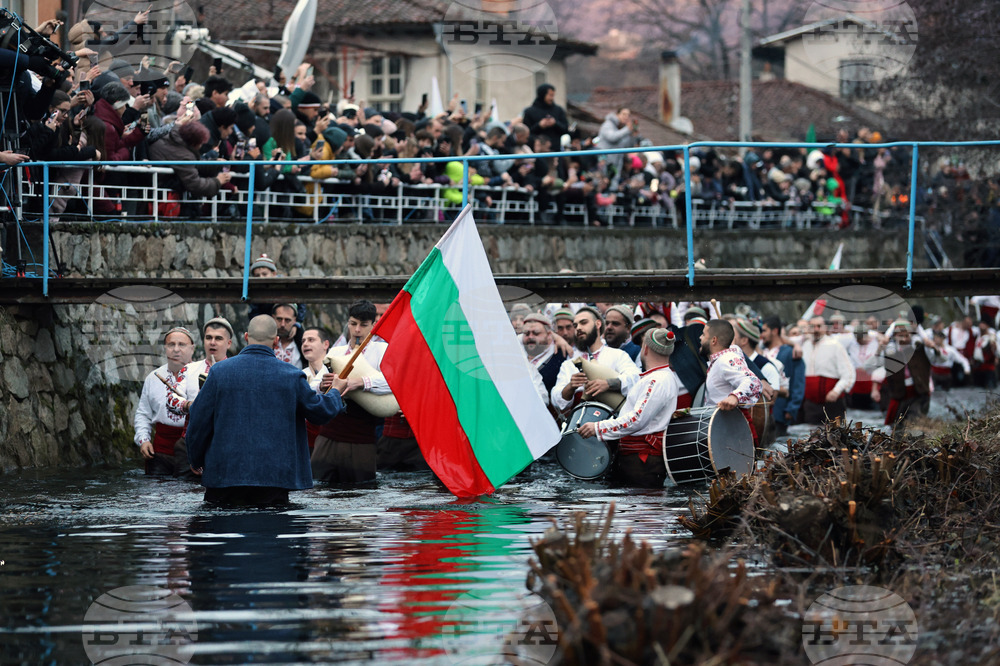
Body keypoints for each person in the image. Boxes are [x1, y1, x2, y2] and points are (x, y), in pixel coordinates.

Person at [186, 315, 348, 506]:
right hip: (274, 477)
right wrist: (336, 391)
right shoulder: (291, 375)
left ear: (246, 337)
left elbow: (198, 420)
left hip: (225, 474)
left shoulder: (219, 372)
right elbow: (319, 412)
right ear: (276, 340)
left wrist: (195, 459)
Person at [578, 328, 679, 488]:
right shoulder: (658, 376)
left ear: (645, 348)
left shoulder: (657, 380)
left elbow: (636, 419)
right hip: (638, 458)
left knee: (642, 510)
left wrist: (598, 427)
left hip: (642, 459)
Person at [313, 300, 393, 484]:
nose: (357, 330)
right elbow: (313, 386)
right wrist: (323, 385)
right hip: (329, 433)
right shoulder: (337, 352)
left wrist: (360, 382)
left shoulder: (382, 350)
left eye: (364, 325)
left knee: (361, 492)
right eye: (353, 324)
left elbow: (394, 382)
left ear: (373, 326)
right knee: (318, 488)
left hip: (361, 437)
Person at [551, 306, 640, 413]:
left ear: (598, 324)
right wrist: (570, 387)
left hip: (611, 421)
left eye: (583, 323)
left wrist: (608, 384)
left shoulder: (618, 355)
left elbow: (636, 379)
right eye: (575, 325)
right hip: (579, 422)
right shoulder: (568, 364)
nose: (578, 328)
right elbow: (556, 401)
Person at [133, 327, 196, 476]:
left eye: (182, 345)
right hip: (160, 452)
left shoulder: (202, 375)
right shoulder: (153, 377)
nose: (176, 349)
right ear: (165, 349)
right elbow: (143, 413)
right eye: (171, 345)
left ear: (192, 349)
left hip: (192, 451)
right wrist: (144, 440)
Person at [871, 321, 932, 426]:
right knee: (897, 424)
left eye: (906, 335)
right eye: (900, 336)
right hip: (899, 394)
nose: (904, 339)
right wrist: (874, 389)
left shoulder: (919, 347)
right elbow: (877, 366)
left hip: (918, 393)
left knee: (914, 421)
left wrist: (930, 343)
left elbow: (939, 359)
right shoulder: (890, 350)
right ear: (895, 336)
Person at [800, 316, 856, 424]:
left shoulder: (835, 346)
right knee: (810, 436)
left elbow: (849, 374)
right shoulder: (805, 346)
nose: (816, 329)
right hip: (811, 405)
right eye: (812, 326)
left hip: (833, 403)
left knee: (836, 436)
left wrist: (836, 391)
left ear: (825, 328)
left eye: (819, 326)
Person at [699, 319, 762, 414]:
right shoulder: (724, 358)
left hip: (731, 425)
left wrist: (735, 397)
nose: (700, 337)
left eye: (703, 334)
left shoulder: (726, 359)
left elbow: (753, 382)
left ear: (714, 340)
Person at [760, 316, 805, 437]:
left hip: (780, 411)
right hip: (761, 412)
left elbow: (798, 382)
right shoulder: (760, 351)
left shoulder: (791, 353)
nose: (761, 334)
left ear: (774, 331)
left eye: (764, 330)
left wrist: (792, 408)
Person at [180, 317, 234, 409]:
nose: (212, 343)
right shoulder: (188, 369)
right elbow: (171, 399)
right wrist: (188, 405)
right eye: (208, 338)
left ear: (229, 343)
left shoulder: (236, 372)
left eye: (218, 338)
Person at [522, 312, 569, 398]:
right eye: (526, 333)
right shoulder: (517, 350)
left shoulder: (562, 356)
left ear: (549, 335)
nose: (530, 337)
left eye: (536, 333)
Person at [521, 83, 568, 152]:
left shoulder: (558, 110)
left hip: (555, 150)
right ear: (542, 95)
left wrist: (555, 123)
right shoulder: (530, 111)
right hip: (537, 152)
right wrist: (539, 125)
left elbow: (565, 128)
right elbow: (526, 132)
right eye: (550, 95)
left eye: (553, 95)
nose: (552, 98)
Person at [272, 304, 304, 369]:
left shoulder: (303, 345)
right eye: (279, 319)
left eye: (287, 320)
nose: (283, 324)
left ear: (295, 320)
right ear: (273, 318)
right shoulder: (266, 343)